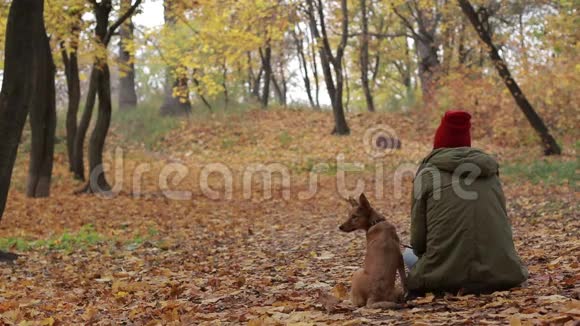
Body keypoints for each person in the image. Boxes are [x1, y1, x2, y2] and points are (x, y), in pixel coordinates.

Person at [404, 110, 528, 295]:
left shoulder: (427, 174)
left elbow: (418, 241)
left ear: (438, 144)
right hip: (501, 273)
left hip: (443, 276)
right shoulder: (490, 172)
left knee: (406, 254)